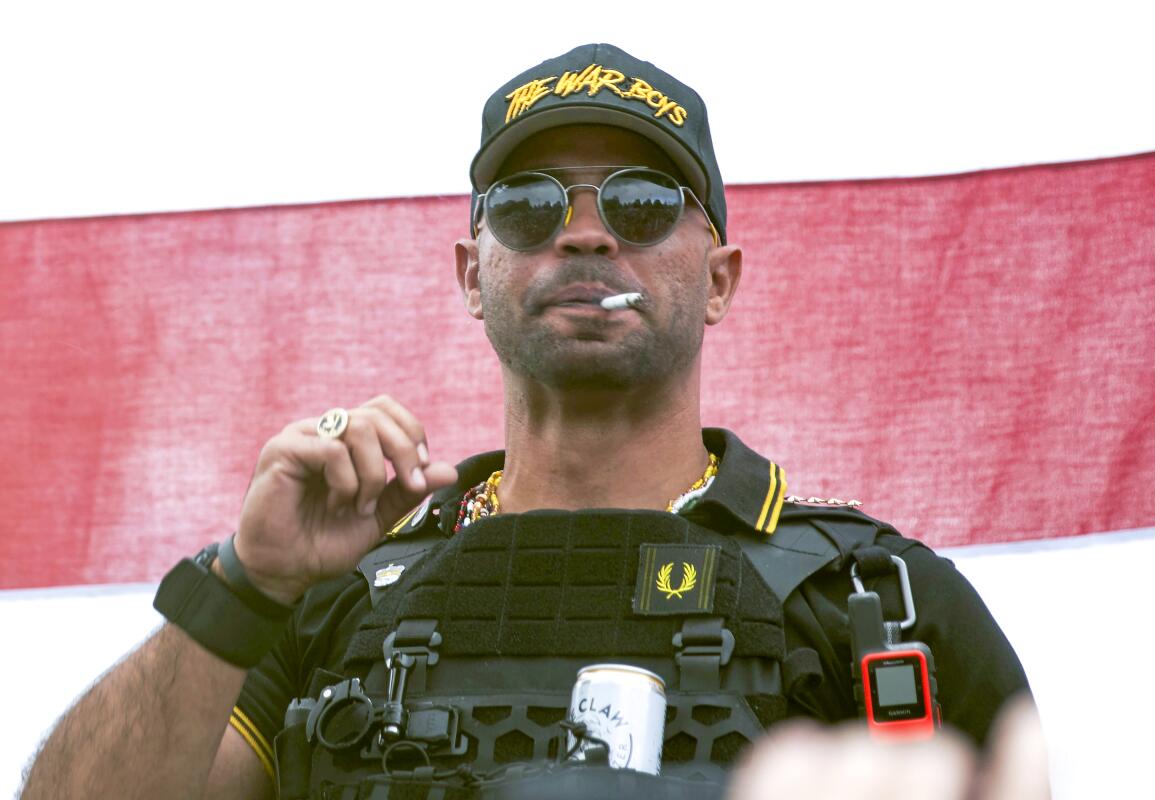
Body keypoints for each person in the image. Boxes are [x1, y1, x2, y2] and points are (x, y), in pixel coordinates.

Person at [21, 44, 1033, 800]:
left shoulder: (878, 599)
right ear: (473, 272)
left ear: (720, 279)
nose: (584, 232)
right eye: (527, 205)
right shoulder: (326, 598)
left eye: (641, 201)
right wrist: (247, 583)